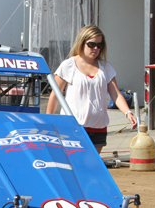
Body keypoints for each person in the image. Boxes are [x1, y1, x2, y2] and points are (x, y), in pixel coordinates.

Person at [46, 25, 138, 154]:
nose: (95, 49)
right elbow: (55, 95)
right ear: (82, 43)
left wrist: (128, 113)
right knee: (75, 162)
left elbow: (116, 94)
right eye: (91, 44)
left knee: (92, 164)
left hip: (98, 127)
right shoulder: (68, 65)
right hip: (73, 126)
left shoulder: (105, 67)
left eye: (99, 45)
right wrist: (48, 122)